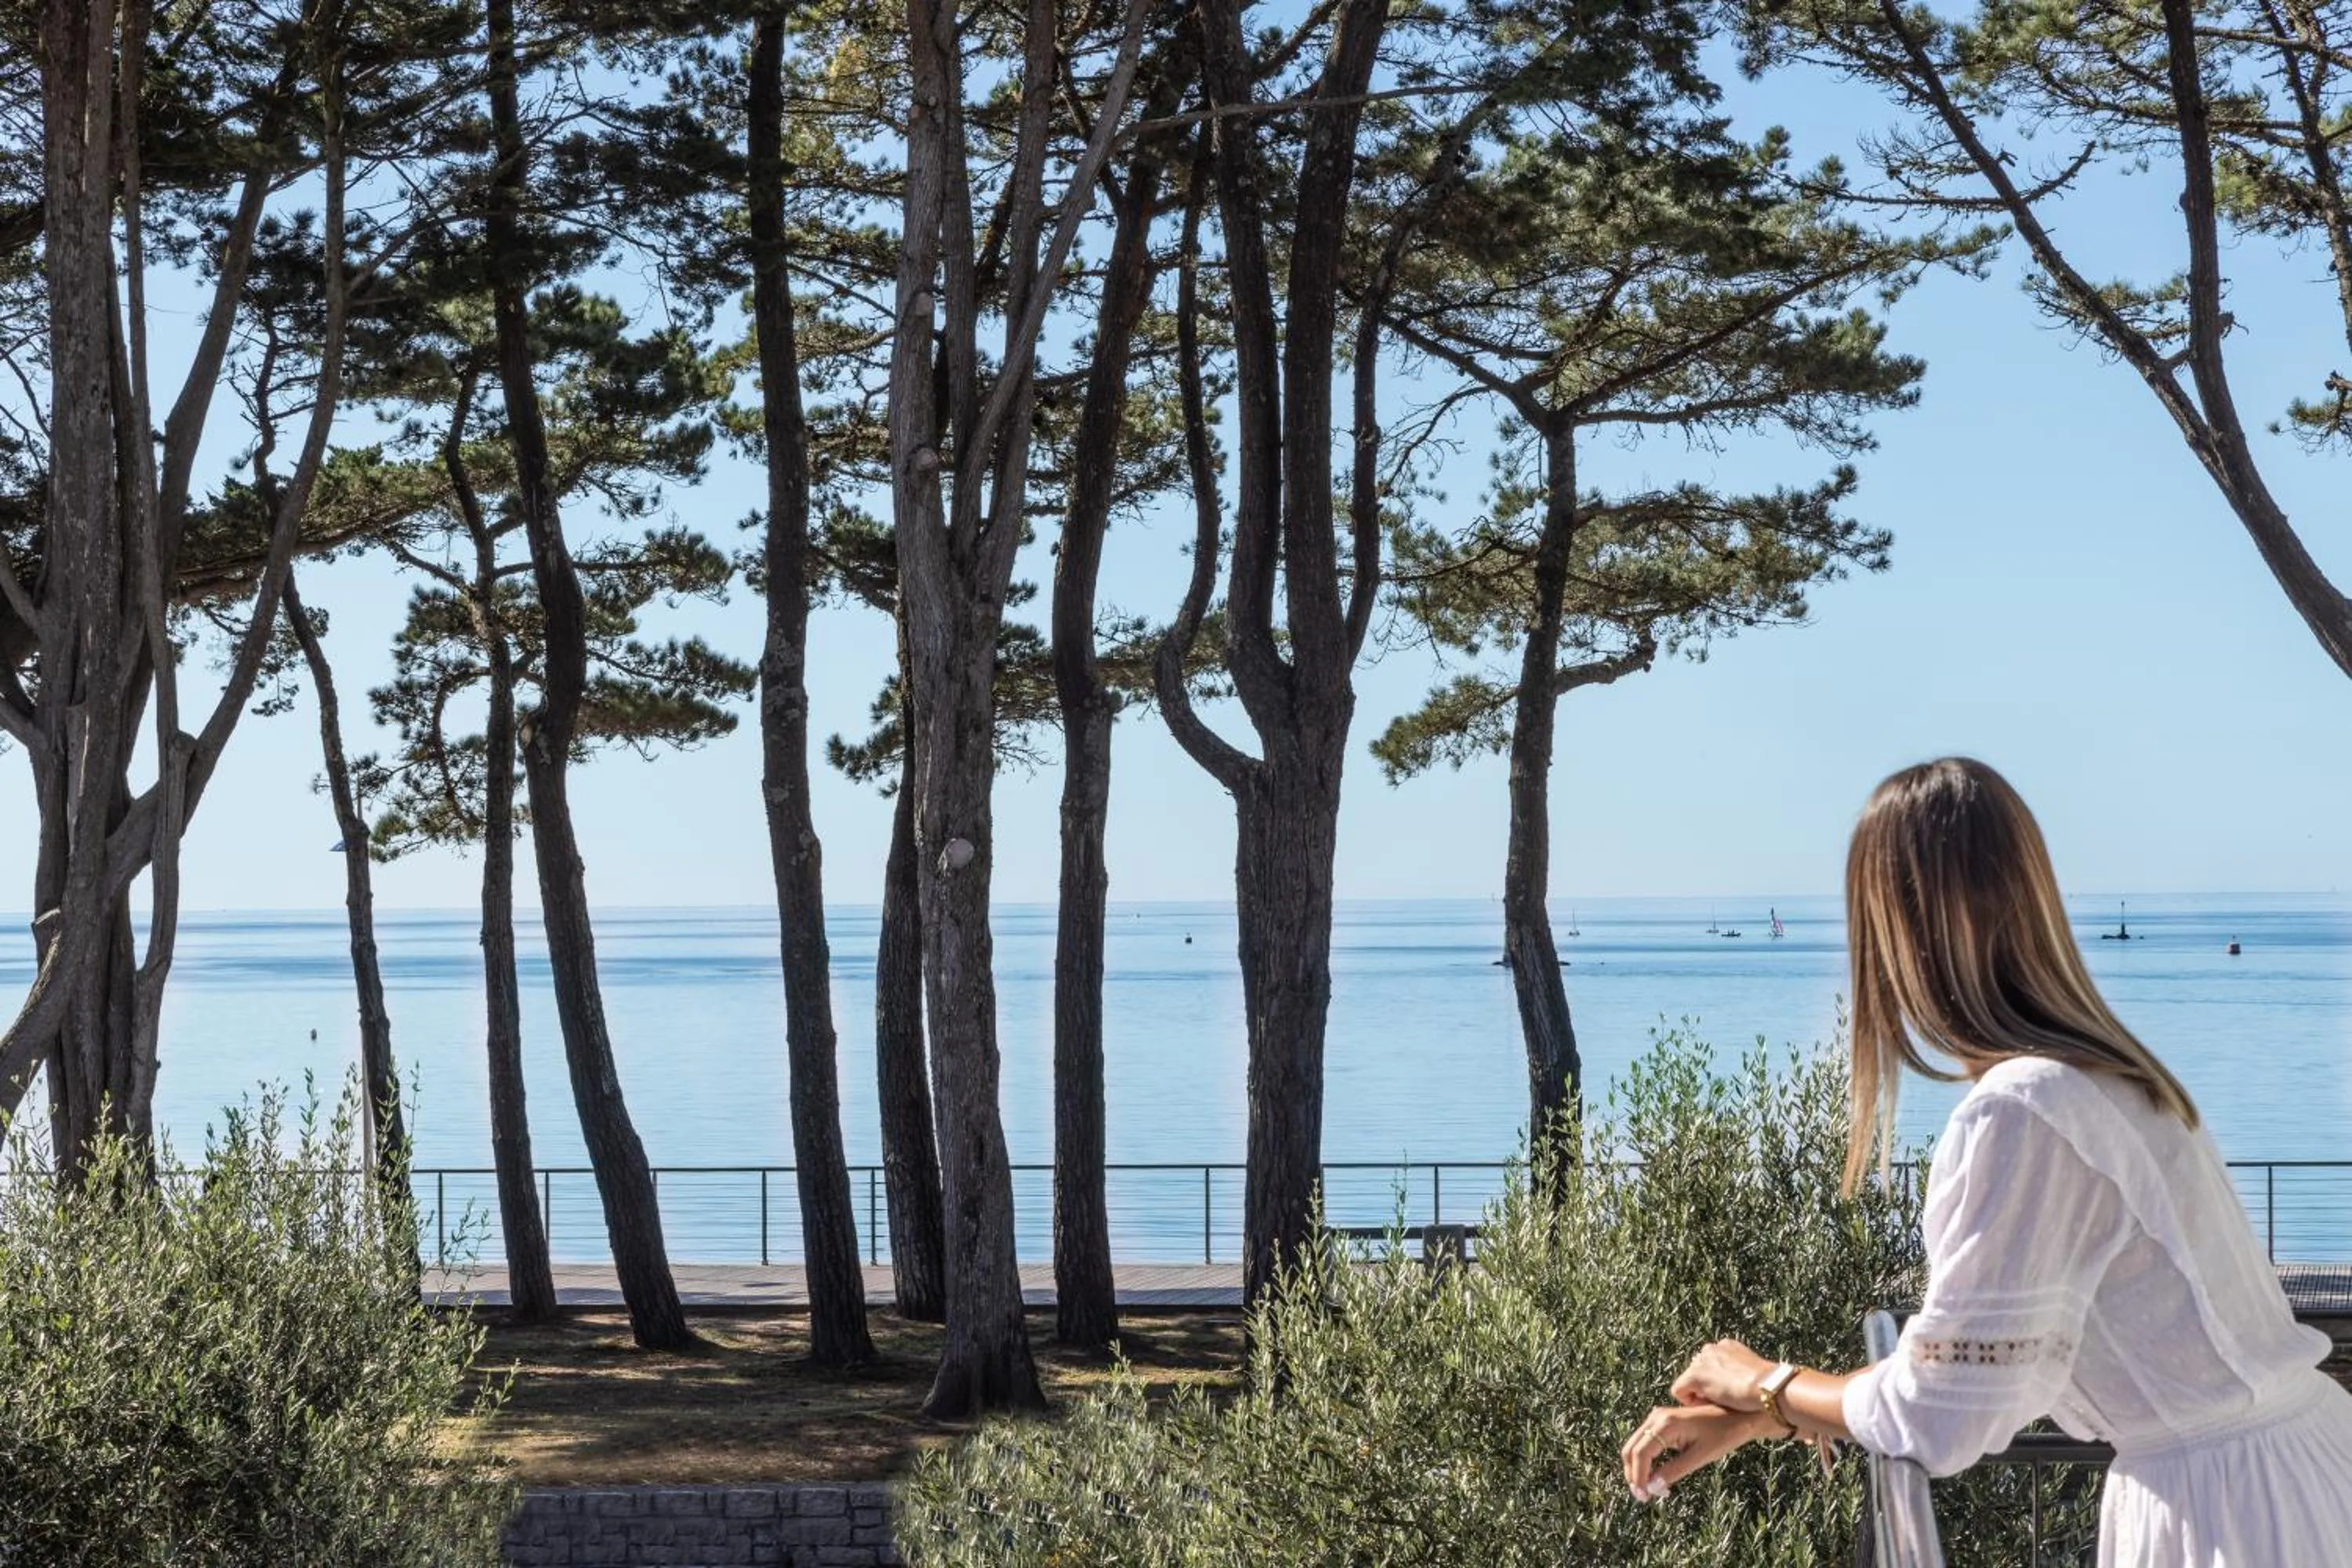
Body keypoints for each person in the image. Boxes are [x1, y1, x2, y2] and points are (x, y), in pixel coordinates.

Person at [1619, 757, 2352, 1565]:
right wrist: (1782, 1412)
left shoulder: (2024, 1109)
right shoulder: (2109, 1079)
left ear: (1895, 927)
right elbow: (2001, 1362)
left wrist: (1764, 1381)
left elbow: (1939, 1417)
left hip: (2229, 1515)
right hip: (2301, 1468)